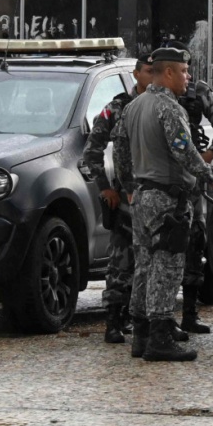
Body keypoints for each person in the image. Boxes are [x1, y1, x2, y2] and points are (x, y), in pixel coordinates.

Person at [114, 46, 213, 362]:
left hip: (142, 197)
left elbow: (120, 152)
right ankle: (160, 339)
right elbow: (184, 152)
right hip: (167, 199)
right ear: (168, 72)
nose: (188, 78)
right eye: (184, 71)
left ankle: (141, 336)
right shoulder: (169, 108)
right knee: (167, 267)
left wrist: (129, 187)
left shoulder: (134, 106)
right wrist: (210, 176)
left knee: (144, 266)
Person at [82, 58, 159, 345]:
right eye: (148, 71)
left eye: (157, 71)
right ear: (136, 74)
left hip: (157, 196)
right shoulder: (117, 108)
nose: (153, 76)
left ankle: (149, 321)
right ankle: (113, 321)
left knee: (156, 262)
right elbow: (91, 152)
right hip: (127, 198)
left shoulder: (165, 106)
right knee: (121, 262)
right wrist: (105, 188)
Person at [163, 38, 213, 335]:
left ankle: (189, 313)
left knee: (194, 243)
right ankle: (155, 318)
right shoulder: (150, 94)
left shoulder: (198, 91)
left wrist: (209, 155)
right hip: (161, 179)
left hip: (191, 181)